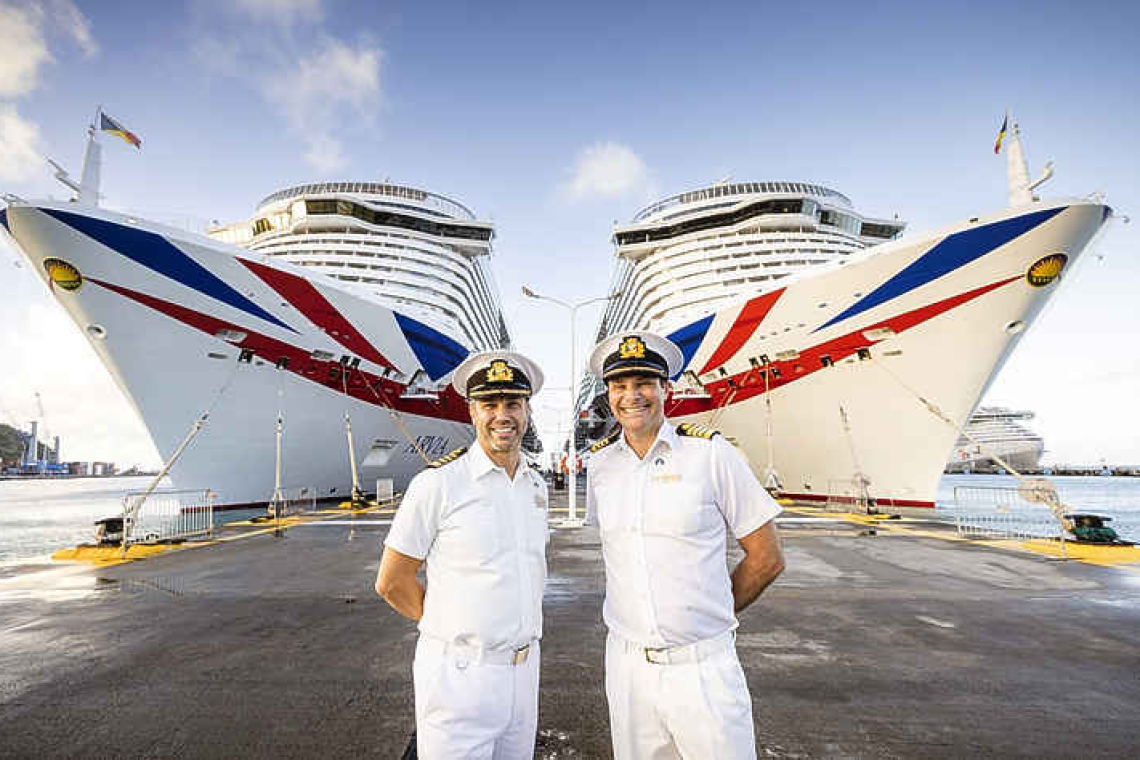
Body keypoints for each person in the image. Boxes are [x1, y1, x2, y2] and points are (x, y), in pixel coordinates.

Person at [584, 331, 786, 759]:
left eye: (643, 383)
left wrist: (707, 615)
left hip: (703, 667)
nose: (631, 395)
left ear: (666, 389)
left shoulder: (711, 456)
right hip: (626, 668)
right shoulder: (600, 466)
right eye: (620, 386)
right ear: (608, 395)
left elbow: (767, 558)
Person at [376, 350, 549, 759]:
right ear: (472, 411)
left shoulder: (535, 486)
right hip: (459, 676)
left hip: (524, 673)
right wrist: (453, 629)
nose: (501, 415)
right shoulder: (437, 484)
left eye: (512, 403)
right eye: (489, 404)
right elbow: (391, 581)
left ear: (526, 410)